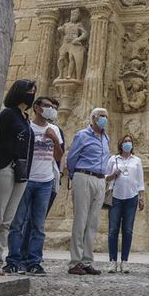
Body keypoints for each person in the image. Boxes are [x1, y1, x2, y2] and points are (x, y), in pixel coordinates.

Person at [0, 79, 36, 276]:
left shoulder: (25, 118)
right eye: (30, 91)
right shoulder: (8, 115)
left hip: (20, 173)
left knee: (6, 221)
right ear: (19, 92)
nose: (32, 94)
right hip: (4, 169)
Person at [2, 96, 62, 276]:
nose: (50, 109)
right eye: (46, 106)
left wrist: (54, 140)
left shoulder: (54, 130)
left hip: (45, 180)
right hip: (26, 179)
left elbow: (59, 156)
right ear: (36, 108)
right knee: (18, 222)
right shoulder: (27, 127)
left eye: (52, 106)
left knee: (38, 225)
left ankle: (34, 261)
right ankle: (13, 260)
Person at [65, 107, 110, 276]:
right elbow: (72, 157)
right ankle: (75, 262)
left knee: (92, 222)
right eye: (100, 116)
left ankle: (87, 261)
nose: (103, 119)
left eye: (105, 116)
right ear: (93, 118)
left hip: (100, 179)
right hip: (84, 175)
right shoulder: (82, 135)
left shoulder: (106, 138)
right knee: (80, 220)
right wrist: (73, 175)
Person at [105, 134, 145, 274]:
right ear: (120, 144)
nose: (128, 143)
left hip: (131, 197)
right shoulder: (113, 159)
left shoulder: (137, 161)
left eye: (130, 141)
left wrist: (141, 197)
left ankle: (125, 261)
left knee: (128, 230)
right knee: (113, 230)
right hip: (115, 197)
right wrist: (112, 175)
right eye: (125, 141)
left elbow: (140, 181)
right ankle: (112, 261)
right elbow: (105, 176)